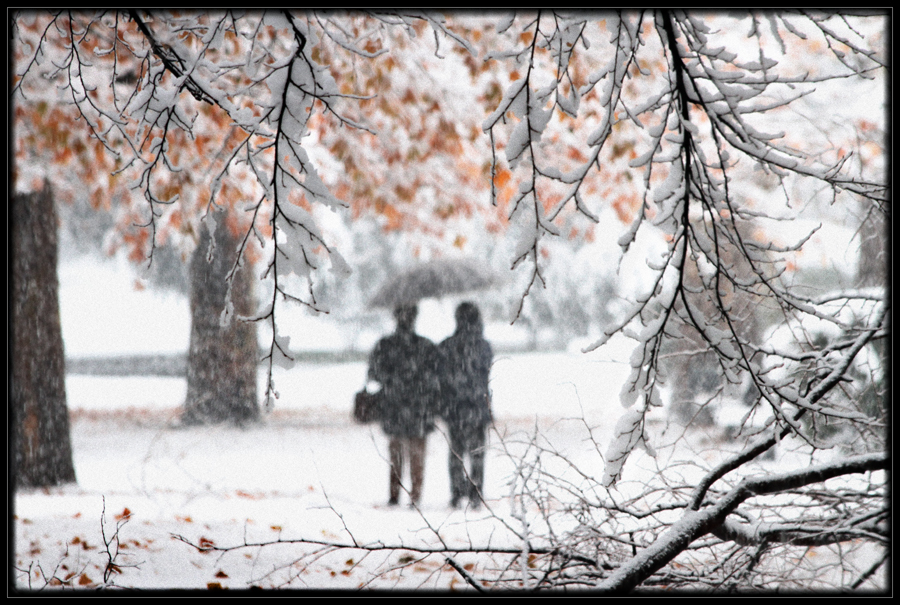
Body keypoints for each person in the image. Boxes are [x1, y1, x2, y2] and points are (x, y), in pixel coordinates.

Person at [367, 304, 441, 507]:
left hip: (394, 408)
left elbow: (373, 374)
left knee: (396, 455)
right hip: (420, 410)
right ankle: (415, 496)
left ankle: (394, 495)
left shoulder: (384, 345)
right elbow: (436, 378)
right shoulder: (426, 346)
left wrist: (394, 380)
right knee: (417, 457)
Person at [438, 302, 493, 509]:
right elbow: (485, 372)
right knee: (477, 453)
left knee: (456, 452)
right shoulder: (483, 346)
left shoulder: (447, 345)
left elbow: (441, 376)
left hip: (455, 408)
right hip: (478, 407)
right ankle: (476, 492)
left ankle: (456, 492)